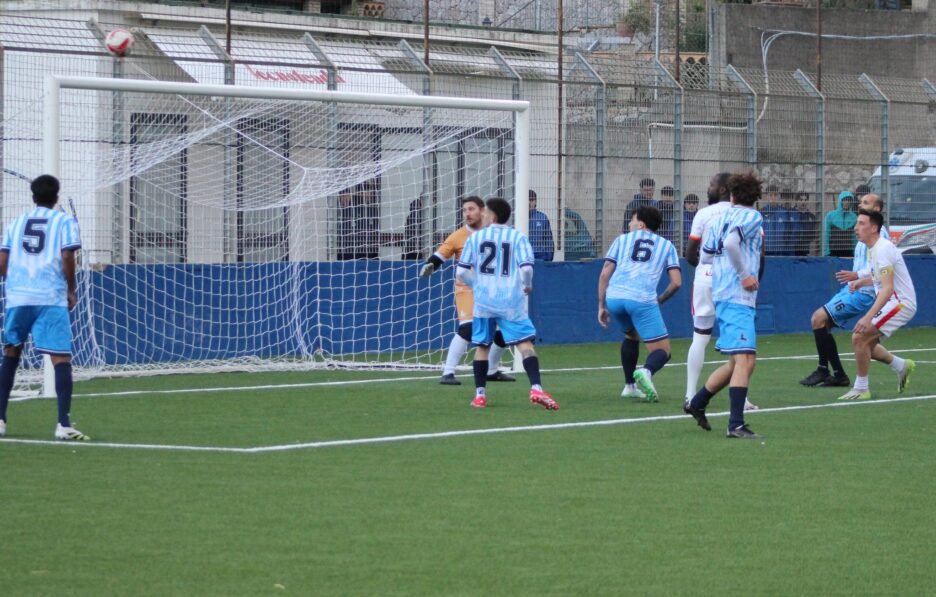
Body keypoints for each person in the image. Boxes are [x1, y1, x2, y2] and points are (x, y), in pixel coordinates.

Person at [0, 174, 88, 441]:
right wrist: (71, 289)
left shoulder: (16, 223)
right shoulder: (64, 221)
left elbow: (3, 258)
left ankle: (0, 420)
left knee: (11, 354)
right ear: (56, 197)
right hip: (50, 296)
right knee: (60, 357)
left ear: (33, 197)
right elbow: (67, 255)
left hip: (18, 297)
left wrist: (14, 284)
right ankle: (63, 424)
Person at [456, 197, 557, 410]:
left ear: (492, 216)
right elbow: (527, 268)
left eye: (484, 212)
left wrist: (478, 285)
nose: (482, 215)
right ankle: (536, 388)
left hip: (484, 301)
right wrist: (527, 285)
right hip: (511, 300)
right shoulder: (518, 237)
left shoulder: (475, 238)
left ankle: (480, 396)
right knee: (524, 344)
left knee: (482, 346)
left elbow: (461, 272)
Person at [684, 171, 765, 439]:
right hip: (736, 295)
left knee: (739, 362)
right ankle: (735, 424)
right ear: (755, 197)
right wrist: (743, 274)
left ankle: (698, 402)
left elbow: (705, 256)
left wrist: (724, 269)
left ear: (732, 195)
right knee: (744, 360)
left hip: (721, 292)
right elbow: (731, 243)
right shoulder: (752, 217)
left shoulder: (719, 218)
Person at [419, 196, 514, 385]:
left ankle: (491, 370)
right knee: (468, 328)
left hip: (492, 289)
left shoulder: (493, 233)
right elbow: (438, 257)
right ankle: (448, 372)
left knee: (505, 330)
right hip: (467, 288)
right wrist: (430, 266)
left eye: (471, 209)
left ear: (482, 211)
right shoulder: (457, 236)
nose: (467, 214)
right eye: (464, 210)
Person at [800, 193, 886, 388]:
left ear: (877, 209)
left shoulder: (881, 235)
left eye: (866, 202)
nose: (861, 204)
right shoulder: (863, 228)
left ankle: (825, 370)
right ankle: (836, 374)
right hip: (854, 288)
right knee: (822, 324)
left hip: (864, 292)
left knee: (818, 318)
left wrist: (858, 277)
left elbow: (881, 269)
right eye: (861, 201)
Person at [598, 205, 681, 402]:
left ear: (641, 225)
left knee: (631, 335)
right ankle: (646, 371)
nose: (629, 224)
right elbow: (677, 282)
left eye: (632, 220)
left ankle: (629, 386)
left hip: (614, 298)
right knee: (663, 351)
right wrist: (660, 300)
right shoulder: (667, 245)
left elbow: (604, 273)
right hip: (641, 299)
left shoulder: (621, 240)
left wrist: (601, 305)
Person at [837, 209, 916, 401]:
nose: (856, 228)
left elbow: (888, 289)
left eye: (861, 224)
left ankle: (861, 388)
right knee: (866, 343)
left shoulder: (883, 249)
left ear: (873, 228)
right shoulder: (874, 249)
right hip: (892, 301)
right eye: (857, 223)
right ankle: (901, 366)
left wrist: (868, 317)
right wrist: (861, 282)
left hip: (900, 303)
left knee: (859, 336)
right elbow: (879, 278)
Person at [823, 191, 858, 257]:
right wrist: (826, 252)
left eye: (849, 200)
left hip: (849, 252)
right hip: (833, 251)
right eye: (844, 200)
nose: (847, 202)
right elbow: (826, 234)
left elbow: (855, 237)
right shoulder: (830, 215)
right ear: (840, 201)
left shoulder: (854, 217)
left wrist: (855, 252)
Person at [528, 190, 554, 261]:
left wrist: (548, 258)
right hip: (523, 255)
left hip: (540, 256)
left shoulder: (542, 218)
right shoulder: (518, 218)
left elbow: (548, 239)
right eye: (527, 200)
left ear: (535, 202)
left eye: (531, 200)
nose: (529, 202)